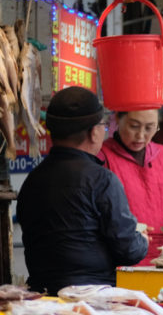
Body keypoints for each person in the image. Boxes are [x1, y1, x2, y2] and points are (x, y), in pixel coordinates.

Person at [18, 87, 148, 294]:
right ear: (93, 132)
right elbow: (128, 250)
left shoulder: (32, 180)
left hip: (40, 296)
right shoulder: (102, 179)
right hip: (91, 299)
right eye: (103, 126)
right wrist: (142, 240)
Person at [100, 110, 163, 265]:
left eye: (149, 128)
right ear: (118, 118)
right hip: (126, 260)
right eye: (134, 126)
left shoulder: (161, 154)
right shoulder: (103, 157)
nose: (141, 135)